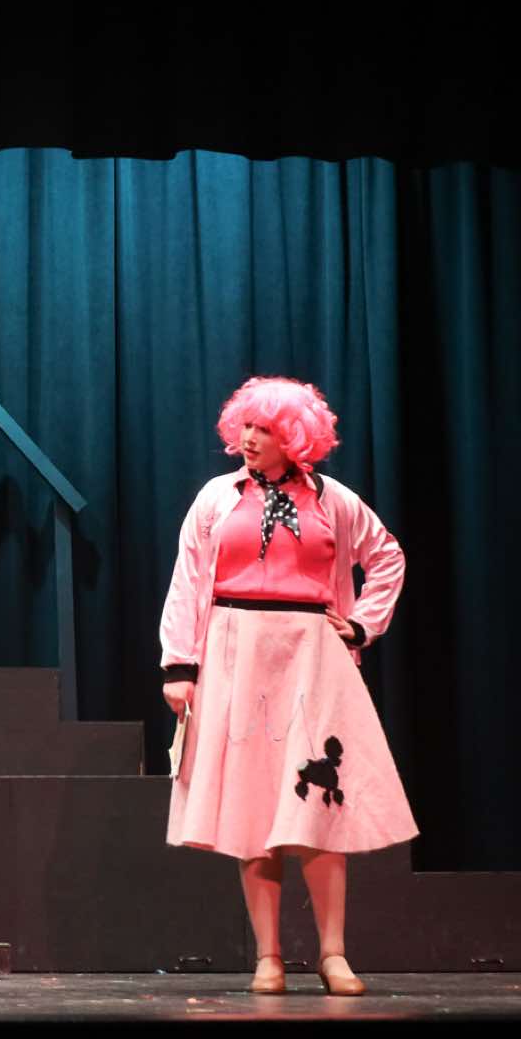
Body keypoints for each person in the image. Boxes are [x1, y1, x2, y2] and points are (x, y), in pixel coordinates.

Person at [159, 376, 414, 996]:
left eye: (265, 429)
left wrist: (361, 624)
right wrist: (180, 665)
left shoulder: (332, 500)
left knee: (318, 807)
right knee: (253, 808)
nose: (249, 437)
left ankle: (333, 954)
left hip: (310, 655)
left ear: (294, 438)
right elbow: (188, 580)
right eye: (246, 425)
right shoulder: (218, 498)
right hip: (236, 652)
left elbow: (387, 557)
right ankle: (268, 957)